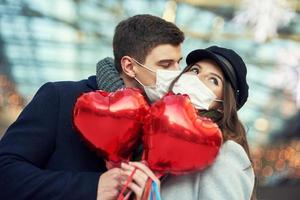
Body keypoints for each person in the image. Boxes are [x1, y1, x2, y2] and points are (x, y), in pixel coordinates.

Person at [0, 14, 184, 200]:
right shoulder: (61, 98)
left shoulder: (165, 127)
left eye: (179, 63)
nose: (177, 73)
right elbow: (5, 171)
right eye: (166, 65)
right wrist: (92, 187)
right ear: (129, 66)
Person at [158, 45, 256, 200]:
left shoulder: (224, 153)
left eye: (213, 80)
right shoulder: (154, 134)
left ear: (223, 105)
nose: (196, 79)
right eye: (195, 70)